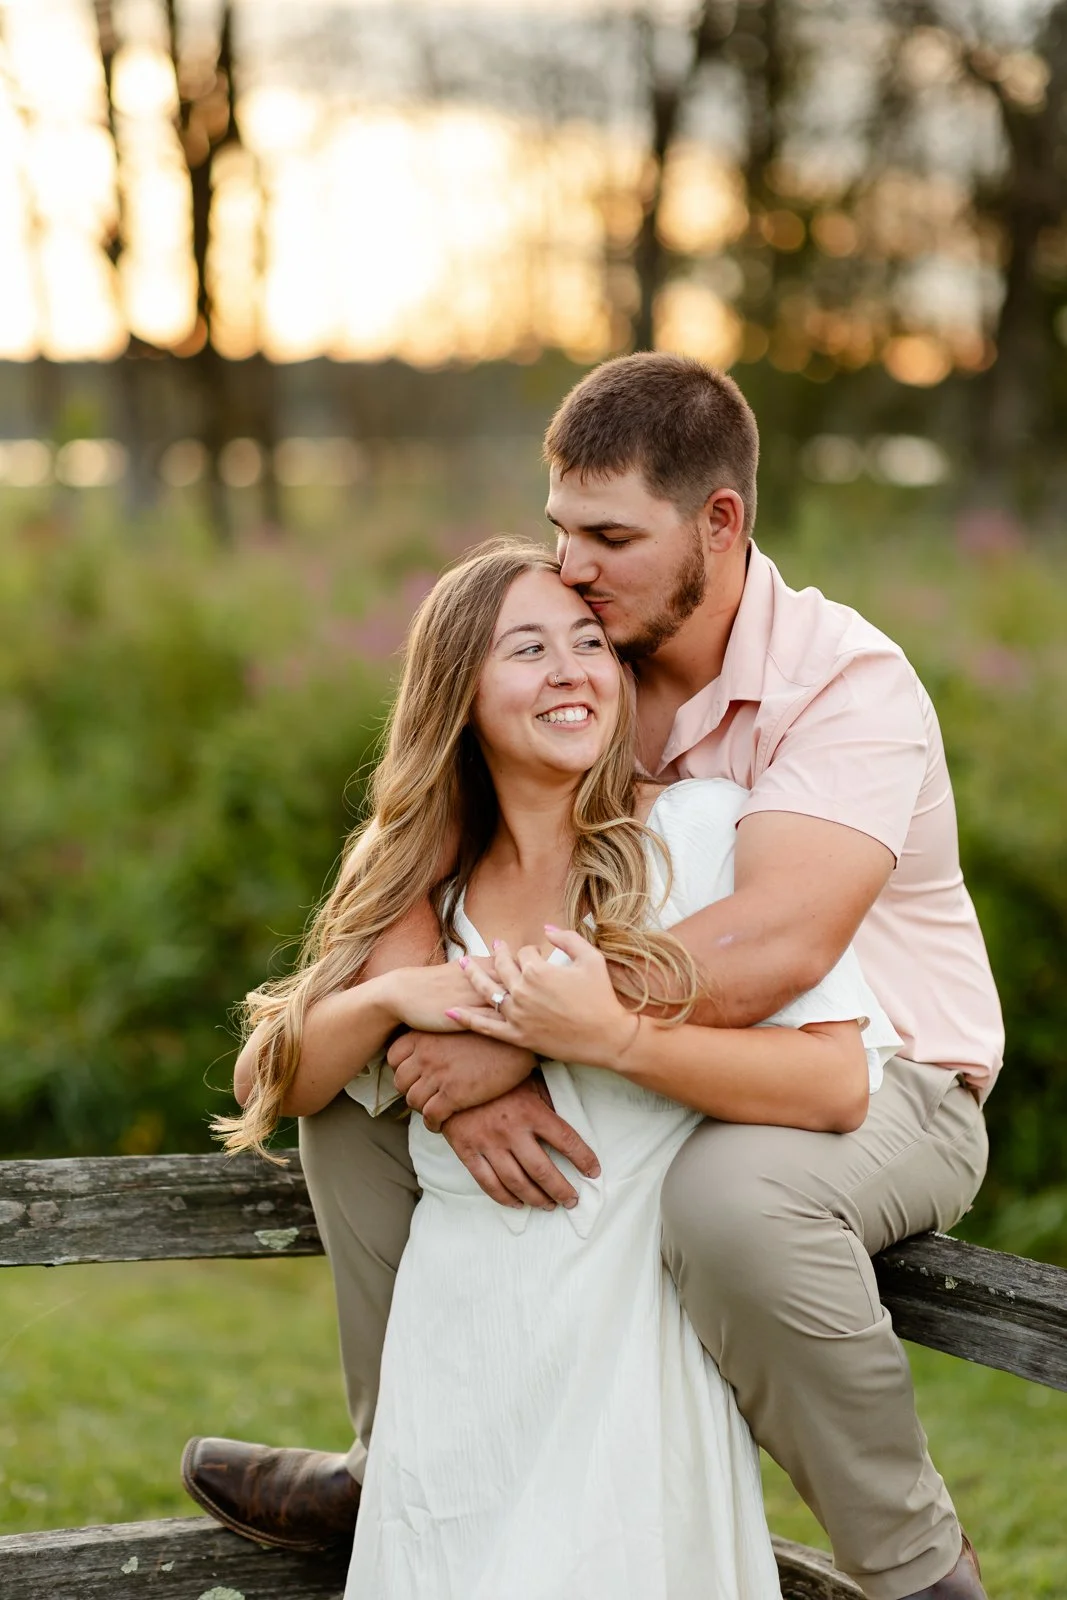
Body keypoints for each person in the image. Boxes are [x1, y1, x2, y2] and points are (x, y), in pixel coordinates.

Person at [183, 355, 997, 1600]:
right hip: (655, 1045)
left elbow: (772, 947)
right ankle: (392, 1445)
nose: (574, 566)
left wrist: (521, 1030)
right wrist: (436, 1043)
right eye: (561, 527)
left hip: (891, 1080)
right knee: (356, 1104)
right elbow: (435, 845)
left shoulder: (840, 685)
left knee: (733, 1206)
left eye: (609, 537)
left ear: (718, 525)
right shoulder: (598, 653)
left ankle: (910, 1566)